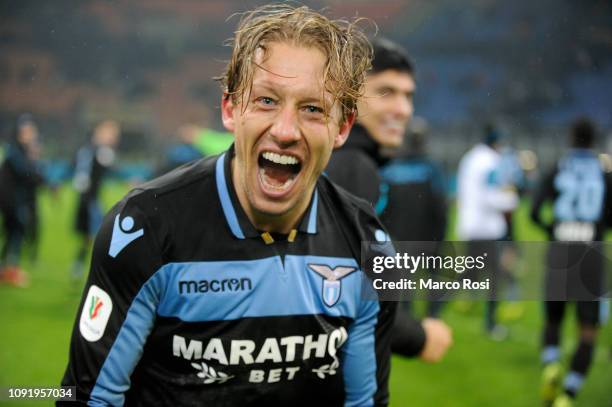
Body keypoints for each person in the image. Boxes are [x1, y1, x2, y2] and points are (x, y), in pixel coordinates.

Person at [59, 5, 396, 406]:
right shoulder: (146, 229)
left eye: (312, 109)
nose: (285, 131)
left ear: (341, 127)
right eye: (267, 101)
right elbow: (87, 398)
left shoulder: (368, 244)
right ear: (230, 108)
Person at [326, 37, 452, 362]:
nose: (403, 109)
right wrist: (419, 337)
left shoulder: (341, 156)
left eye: (408, 95)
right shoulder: (355, 167)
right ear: (349, 94)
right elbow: (339, 290)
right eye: (386, 92)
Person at [531, 118, 611, 407]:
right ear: (593, 140)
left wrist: (554, 229)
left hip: (560, 253)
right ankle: (568, 394)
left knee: (553, 319)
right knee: (588, 329)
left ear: (570, 136)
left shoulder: (558, 167)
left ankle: (551, 364)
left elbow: (535, 211)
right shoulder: (604, 172)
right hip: (592, 255)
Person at [456, 124, 519, 340]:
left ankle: (451, 302)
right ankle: (491, 324)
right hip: (488, 227)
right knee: (493, 277)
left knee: (472, 271)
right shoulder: (491, 161)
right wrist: (511, 200)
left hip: (470, 224)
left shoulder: (470, 157)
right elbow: (492, 195)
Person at [71, 120, 120, 279]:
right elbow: (82, 175)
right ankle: (91, 268)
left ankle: (80, 266)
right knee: (100, 235)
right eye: (110, 134)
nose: (113, 137)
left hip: (94, 199)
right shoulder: (91, 151)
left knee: (95, 236)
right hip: (89, 199)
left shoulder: (102, 151)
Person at [0, 114, 43, 287]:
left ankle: (6, 269)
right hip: (10, 200)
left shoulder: (19, 151)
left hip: (13, 199)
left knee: (12, 233)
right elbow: (28, 174)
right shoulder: (15, 151)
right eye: (27, 132)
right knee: (16, 232)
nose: (31, 135)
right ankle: (11, 271)